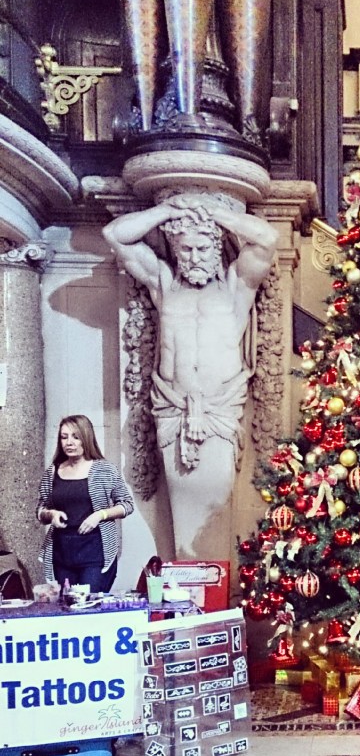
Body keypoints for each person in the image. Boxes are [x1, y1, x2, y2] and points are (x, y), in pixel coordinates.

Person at [102, 194, 278, 558]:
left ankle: (211, 588)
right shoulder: (164, 286)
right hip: (172, 410)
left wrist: (216, 213)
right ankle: (187, 581)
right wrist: (168, 210)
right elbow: (115, 235)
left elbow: (267, 240)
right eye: (185, 249)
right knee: (182, 510)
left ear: (216, 250)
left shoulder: (235, 288)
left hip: (218, 411)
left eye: (201, 248)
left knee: (213, 510)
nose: (194, 257)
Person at [36, 415, 134, 592]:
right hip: (62, 553)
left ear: (86, 438)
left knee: (89, 606)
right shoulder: (52, 472)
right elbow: (41, 510)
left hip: (95, 552)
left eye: (75, 436)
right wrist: (51, 515)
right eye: (64, 437)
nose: (69, 442)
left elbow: (127, 504)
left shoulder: (104, 469)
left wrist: (100, 515)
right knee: (67, 608)